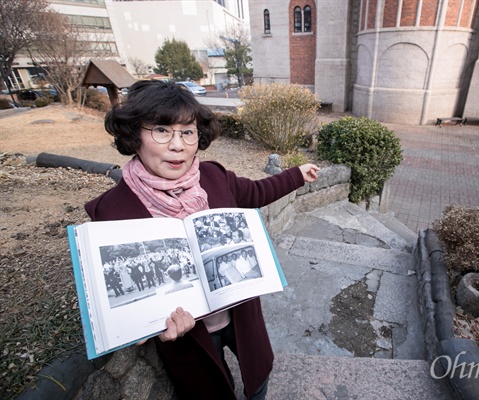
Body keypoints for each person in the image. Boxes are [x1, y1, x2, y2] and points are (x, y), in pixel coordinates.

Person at [84, 80, 319, 400]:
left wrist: (297, 174)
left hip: (239, 313)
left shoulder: (214, 177)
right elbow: (122, 305)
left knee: (258, 376)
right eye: (162, 130)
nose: (178, 145)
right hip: (189, 339)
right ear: (134, 134)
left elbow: (257, 193)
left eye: (187, 132)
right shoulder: (112, 213)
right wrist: (140, 327)